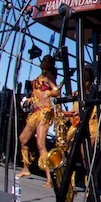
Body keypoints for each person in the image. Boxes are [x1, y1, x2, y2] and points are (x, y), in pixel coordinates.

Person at [18, 55, 61, 186]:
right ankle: (26, 168)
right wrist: (30, 100)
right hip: (35, 113)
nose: (43, 62)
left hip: (44, 113)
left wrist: (48, 93)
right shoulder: (39, 78)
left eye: (47, 61)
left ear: (50, 64)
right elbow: (35, 93)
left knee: (40, 145)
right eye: (43, 60)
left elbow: (56, 91)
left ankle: (49, 178)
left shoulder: (49, 77)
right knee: (23, 139)